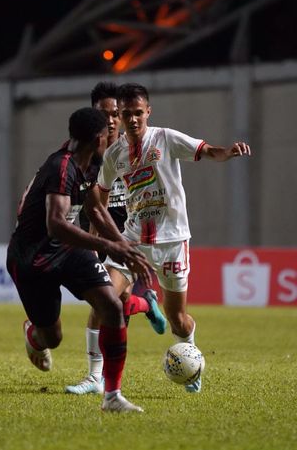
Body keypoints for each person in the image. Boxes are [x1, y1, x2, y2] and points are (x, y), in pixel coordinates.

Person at [97, 83, 252, 393]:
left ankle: (191, 360)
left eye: (138, 113)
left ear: (148, 111)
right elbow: (100, 191)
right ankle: (105, 379)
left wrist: (228, 152)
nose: (132, 120)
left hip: (172, 241)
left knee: (178, 320)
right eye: (126, 114)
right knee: (107, 301)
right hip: (133, 240)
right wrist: (99, 231)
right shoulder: (115, 153)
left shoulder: (165, 139)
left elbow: (206, 151)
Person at [6, 107, 152, 413]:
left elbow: (96, 209)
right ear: (99, 138)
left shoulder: (90, 163)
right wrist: (108, 245)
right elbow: (56, 224)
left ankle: (111, 396)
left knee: (111, 306)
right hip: (34, 259)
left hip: (68, 250)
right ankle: (34, 334)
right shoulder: (62, 167)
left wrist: (121, 245)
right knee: (52, 338)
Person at [66, 82, 167, 396]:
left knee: (102, 300)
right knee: (114, 301)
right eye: (103, 114)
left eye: (115, 114)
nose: (110, 120)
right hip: (98, 226)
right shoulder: (83, 152)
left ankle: (95, 377)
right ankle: (144, 304)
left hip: (127, 228)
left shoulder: (130, 147)